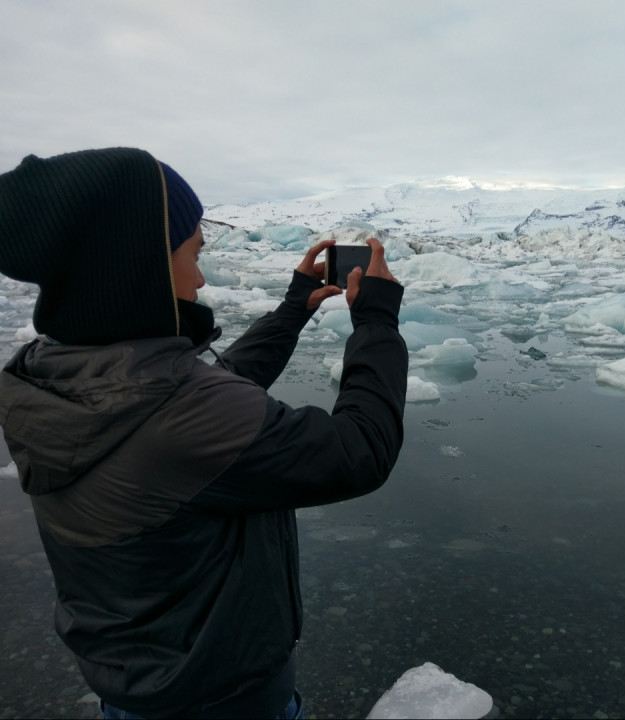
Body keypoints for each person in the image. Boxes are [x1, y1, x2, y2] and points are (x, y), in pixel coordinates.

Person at [0, 148, 408, 719]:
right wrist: (378, 321)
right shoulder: (180, 418)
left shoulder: (57, 374)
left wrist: (293, 310)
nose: (199, 277)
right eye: (193, 254)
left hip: (135, 681)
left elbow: (207, 391)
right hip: (221, 700)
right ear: (138, 265)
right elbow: (359, 451)